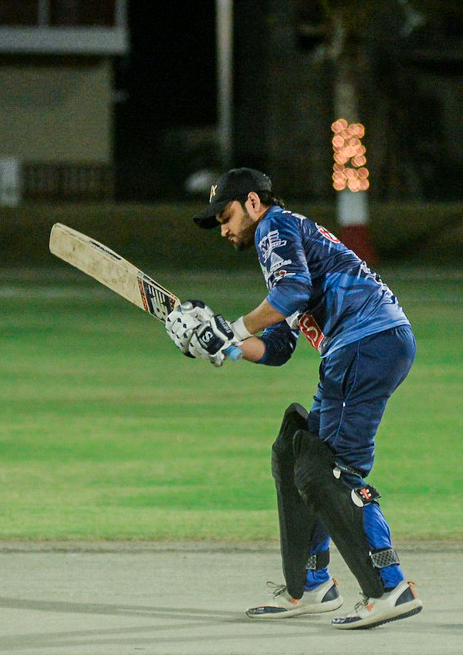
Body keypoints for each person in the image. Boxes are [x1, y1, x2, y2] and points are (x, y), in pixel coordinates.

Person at [164, 168, 421, 629]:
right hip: (362, 346)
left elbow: (293, 292)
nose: (223, 229)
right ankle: (310, 585)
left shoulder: (274, 226)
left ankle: (389, 587)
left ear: (253, 202)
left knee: (328, 470)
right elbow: (279, 347)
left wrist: (232, 328)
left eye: (225, 216)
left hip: (367, 342)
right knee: (295, 452)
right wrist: (225, 346)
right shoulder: (287, 243)